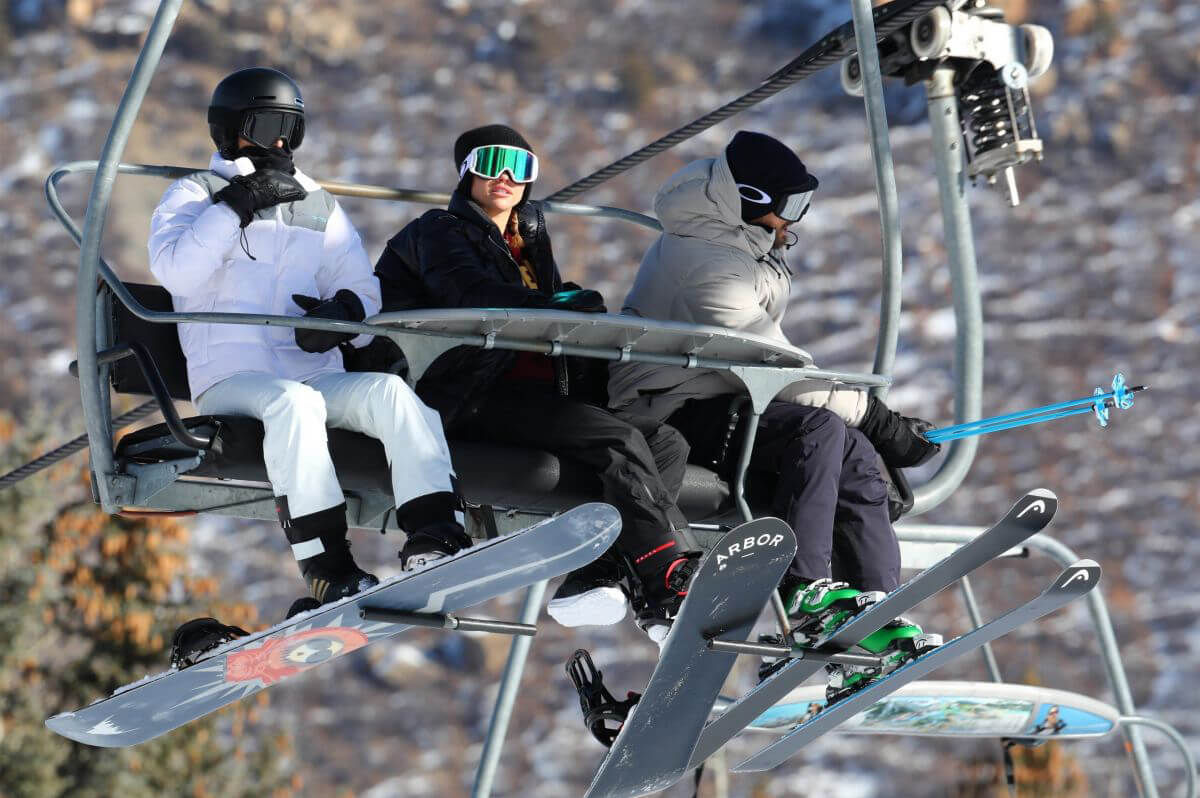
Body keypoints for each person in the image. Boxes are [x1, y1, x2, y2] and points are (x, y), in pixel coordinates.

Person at [607, 130, 943, 690]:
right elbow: (776, 367)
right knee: (816, 429)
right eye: (789, 208)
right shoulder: (707, 262)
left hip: (720, 395)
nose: (796, 223)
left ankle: (874, 608)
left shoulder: (739, 247)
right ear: (749, 200)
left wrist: (870, 433)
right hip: (667, 408)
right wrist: (877, 417)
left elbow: (773, 370)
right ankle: (807, 595)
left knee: (853, 452)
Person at [149, 67, 469, 618]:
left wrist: (341, 311)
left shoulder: (316, 202)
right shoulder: (196, 195)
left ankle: (436, 534)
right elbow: (175, 271)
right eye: (268, 124)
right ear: (229, 130)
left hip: (310, 372)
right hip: (231, 379)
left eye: (290, 130)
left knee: (391, 395)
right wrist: (237, 205)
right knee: (292, 404)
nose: (279, 142)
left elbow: (363, 287)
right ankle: (328, 566)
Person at [374, 124, 696, 642]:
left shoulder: (527, 239)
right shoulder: (436, 232)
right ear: (466, 171)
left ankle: (604, 573)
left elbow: (535, 307)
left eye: (519, 167)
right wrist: (557, 304)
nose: (504, 177)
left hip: (535, 394)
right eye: (491, 162)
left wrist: (568, 302)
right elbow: (472, 295)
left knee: (665, 442)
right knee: (615, 440)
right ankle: (665, 575)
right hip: (467, 394)